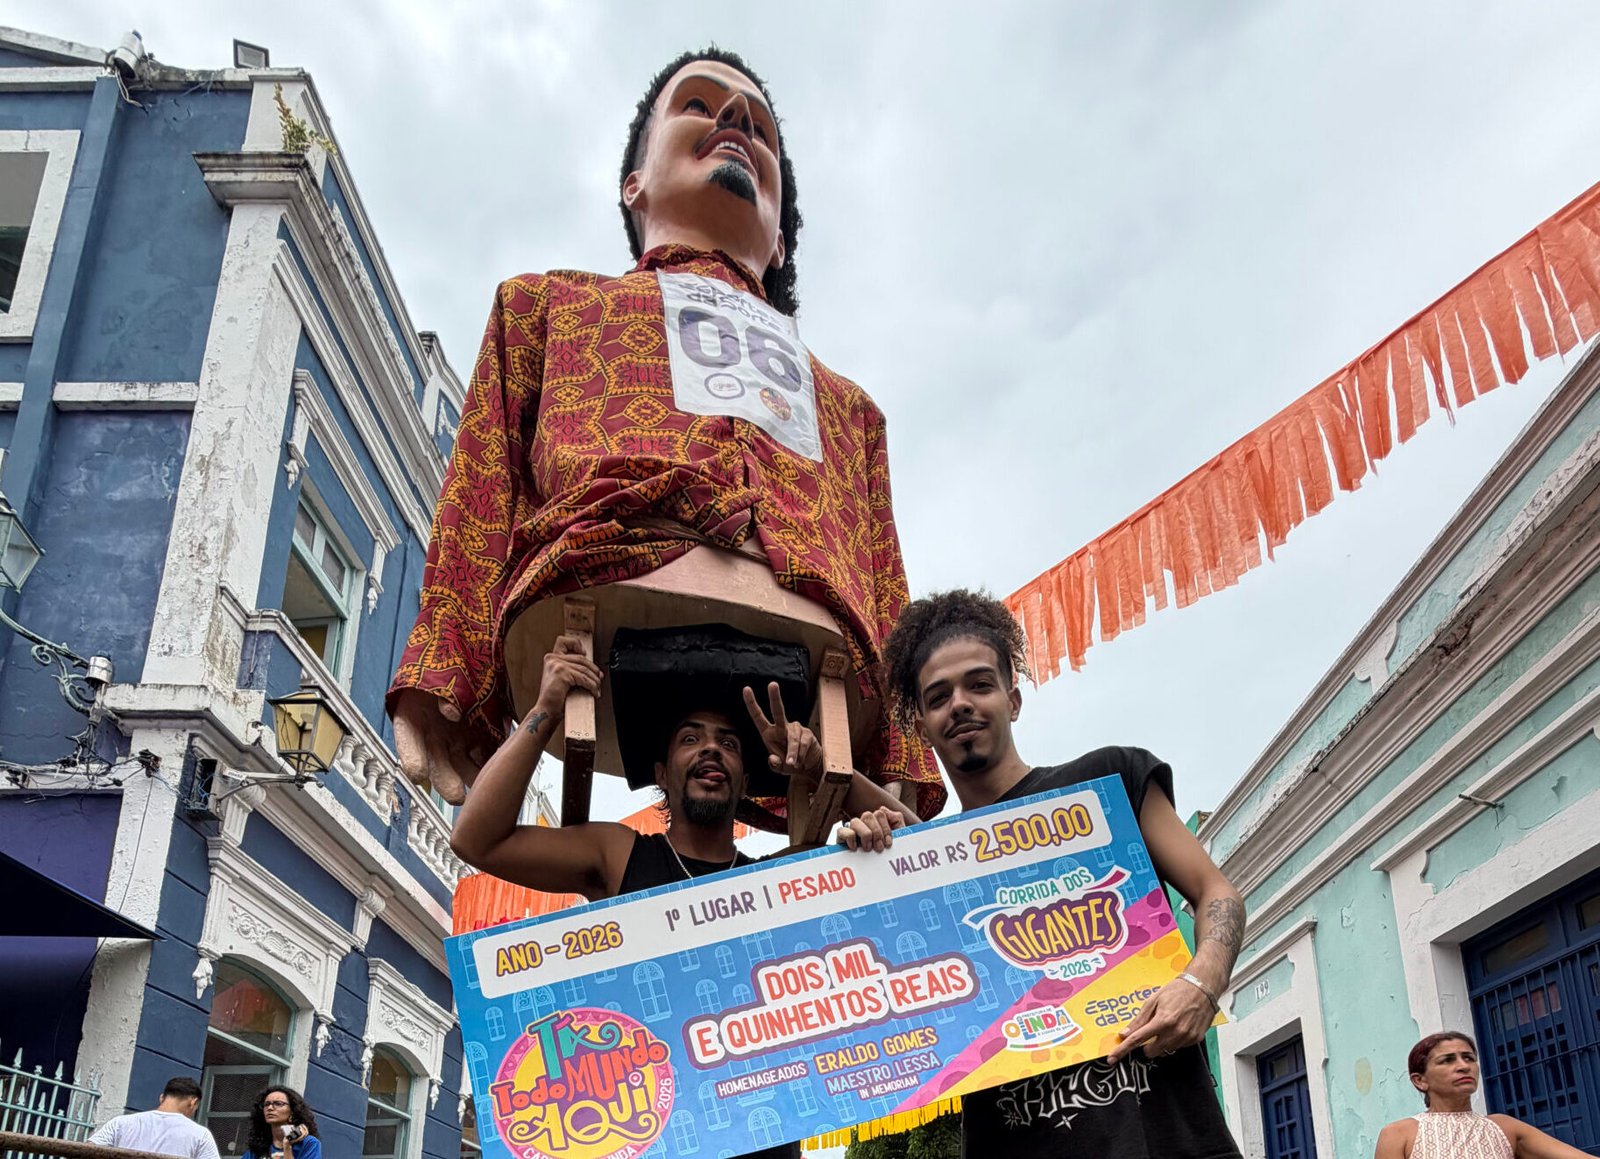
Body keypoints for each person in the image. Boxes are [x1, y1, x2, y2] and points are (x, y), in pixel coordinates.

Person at [388, 47, 942, 822]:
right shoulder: (542, 311)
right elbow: (480, 496)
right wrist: (441, 677)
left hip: (816, 638)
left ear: (781, 237)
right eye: (702, 104)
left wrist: (903, 766)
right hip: (602, 577)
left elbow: (886, 585)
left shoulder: (852, 409)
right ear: (633, 182)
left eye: (759, 126)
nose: (737, 124)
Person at [451, 637, 912, 1159]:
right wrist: (545, 708)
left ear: (742, 783)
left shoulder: (780, 879)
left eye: (730, 744)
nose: (712, 749)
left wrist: (833, 777)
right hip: (648, 1134)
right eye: (691, 739)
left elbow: (939, 864)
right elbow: (475, 838)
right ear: (662, 774)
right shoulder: (618, 856)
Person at [881, 589, 1245, 1159]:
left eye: (979, 684)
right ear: (923, 725)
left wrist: (1201, 984)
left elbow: (1215, 890)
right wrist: (866, 848)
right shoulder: (927, 866)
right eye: (938, 696)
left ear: (1014, 699)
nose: (960, 704)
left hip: (1169, 1139)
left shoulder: (1109, 782)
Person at [1375, 1031, 1591, 1158]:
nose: (1463, 1066)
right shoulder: (1398, 1134)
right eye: (1447, 1060)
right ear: (1420, 1080)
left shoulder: (1503, 1127)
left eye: (1468, 1058)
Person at [88, 1076, 220, 1159]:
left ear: (162, 1097)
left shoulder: (121, 1123)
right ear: (193, 1102)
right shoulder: (200, 1135)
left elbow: (88, 1150)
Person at [241, 1086, 321, 1159]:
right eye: (266, 1104)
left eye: (278, 1103)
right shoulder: (257, 1149)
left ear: (293, 1111)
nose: (270, 1108)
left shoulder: (308, 1144)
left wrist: (287, 1146)